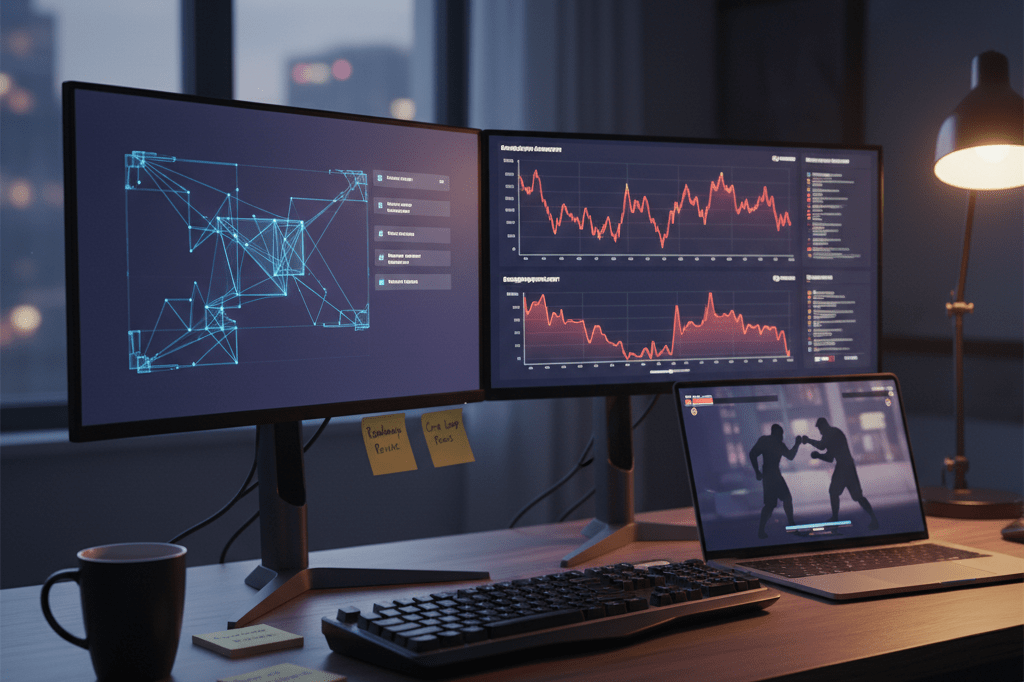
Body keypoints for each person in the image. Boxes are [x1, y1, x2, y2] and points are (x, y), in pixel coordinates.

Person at [804, 417, 879, 530]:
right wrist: (818, 455)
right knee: (856, 496)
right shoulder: (834, 432)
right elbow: (829, 457)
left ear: (823, 425)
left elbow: (821, 446)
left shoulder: (831, 433)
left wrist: (809, 441)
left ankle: (835, 518)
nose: (819, 431)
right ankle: (873, 519)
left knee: (835, 492)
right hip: (847, 465)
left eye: (819, 428)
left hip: (844, 466)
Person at [748, 424, 800, 539]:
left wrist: (757, 471)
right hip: (773, 475)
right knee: (783, 500)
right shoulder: (775, 442)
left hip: (770, 475)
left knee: (772, 504)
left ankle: (762, 530)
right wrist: (797, 444)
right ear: (777, 433)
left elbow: (752, 454)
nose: (782, 436)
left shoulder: (767, 441)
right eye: (781, 433)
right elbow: (790, 456)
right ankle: (790, 525)